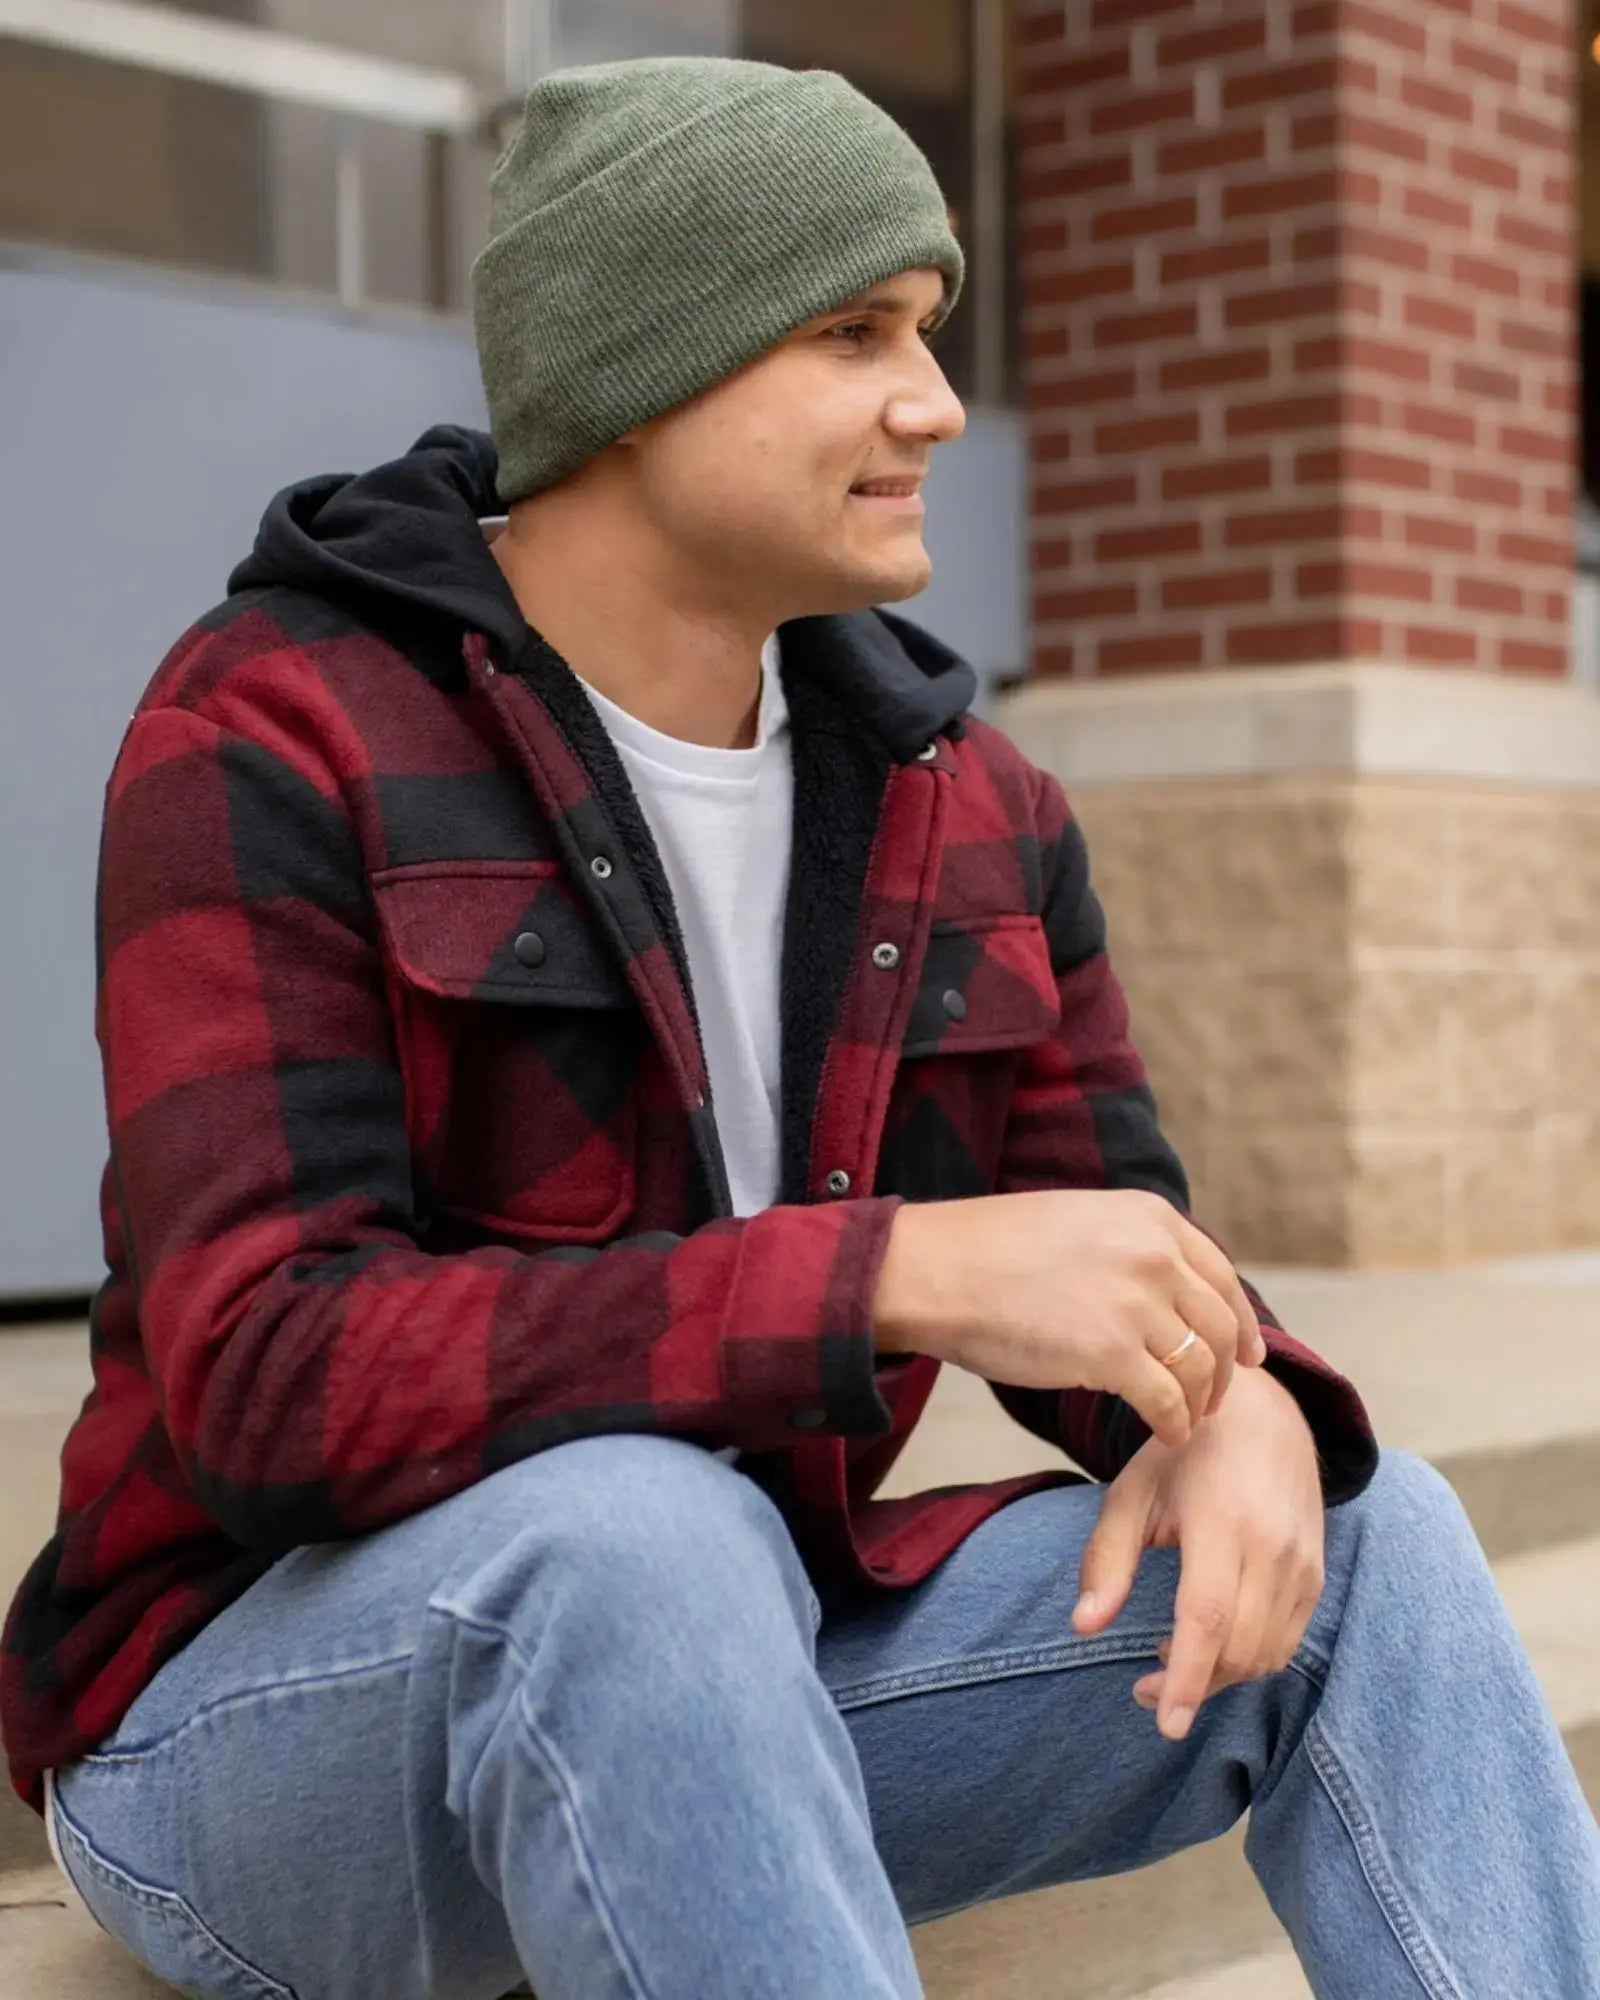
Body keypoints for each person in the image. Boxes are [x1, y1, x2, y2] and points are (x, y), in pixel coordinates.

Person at [3, 53, 1595, 2000]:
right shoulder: (282, 727)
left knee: (1377, 1534)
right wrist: (886, 1274)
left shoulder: (961, 792)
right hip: (256, 1744)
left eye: (926, 330)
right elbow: (267, 1373)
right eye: (854, 335)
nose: (934, 402)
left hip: (733, 1681)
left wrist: (1236, 1398)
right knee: (637, 1535)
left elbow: (1120, 1248)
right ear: (635, 369)